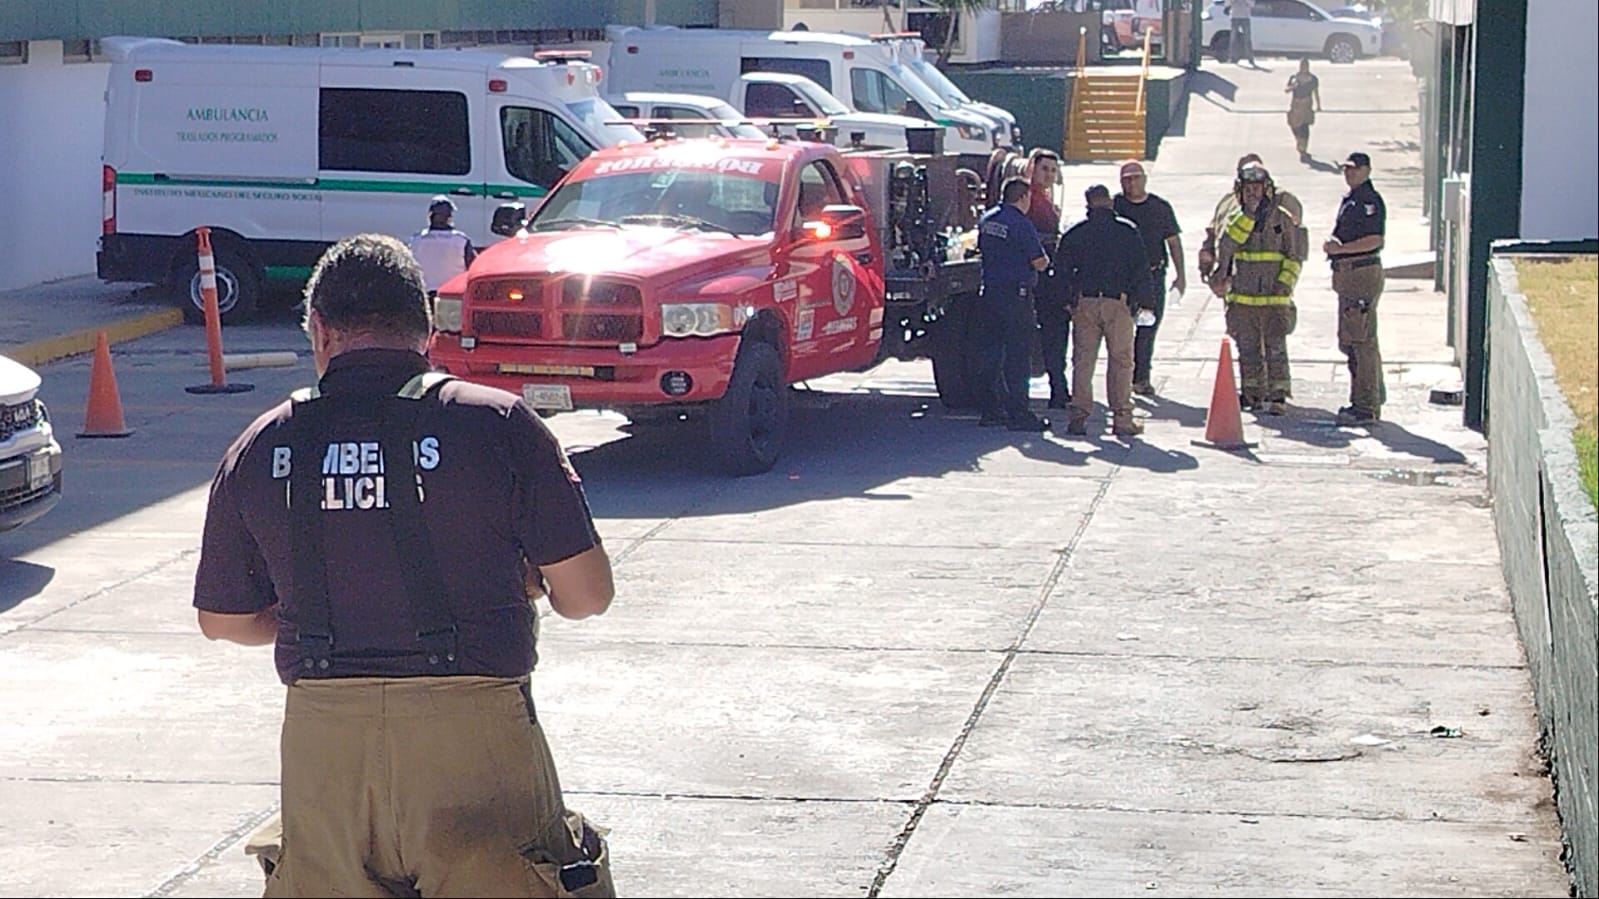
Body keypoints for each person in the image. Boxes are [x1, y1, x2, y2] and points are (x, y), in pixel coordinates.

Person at [192, 233, 618, 897]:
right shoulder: (497, 423)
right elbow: (587, 594)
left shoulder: (262, 442)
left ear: (320, 330)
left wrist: (320, 609)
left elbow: (222, 619)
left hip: (324, 747)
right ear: (425, 330)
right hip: (475, 741)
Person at [1048, 184, 1154, 438]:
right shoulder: (1127, 231)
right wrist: (1146, 302)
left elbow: (1061, 270)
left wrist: (1066, 300)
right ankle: (1122, 419)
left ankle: (1079, 417)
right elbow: (1141, 269)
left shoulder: (1076, 233)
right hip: (1118, 304)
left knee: (1083, 361)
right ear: (1109, 201)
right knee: (1121, 361)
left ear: (1088, 204)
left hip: (1085, 303)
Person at [1209, 162, 1308, 415]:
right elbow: (1228, 244)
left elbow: (1294, 256)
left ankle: (1278, 397)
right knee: (1248, 350)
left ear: (1268, 189)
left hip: (1275, 300)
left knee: (1276, 349)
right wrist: (1248, 215)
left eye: (1258, 187)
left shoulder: (1282, 219)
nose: (1254, 193)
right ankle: (1252, 394)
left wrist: (1285, 284)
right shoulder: (1236, 218)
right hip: (1243, 299)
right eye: (1248, 188)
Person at [974, 177, 1051, 432]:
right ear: (1023, 197)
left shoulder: (988, 219)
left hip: (990, 293)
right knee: (1018, 355)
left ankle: (991, 410)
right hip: (1015, 296)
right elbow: (1039, 261)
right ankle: (1019, 413)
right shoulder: (1021, 224)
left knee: (991, 353)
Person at [1325, 151, 1388, 425]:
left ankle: (1366, 406)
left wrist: (1343, 249)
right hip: (1348, 277)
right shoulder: (1352, 199)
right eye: (1346, 169)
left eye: (1354, 169)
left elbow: (1375, 240)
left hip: (1361, 274)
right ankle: (1371, 395)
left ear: (1367, 170)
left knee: (1361, 341)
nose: (1349, 173)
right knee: (1351, 339)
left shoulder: (1368, 201)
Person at [1113, 160, 1186, 398]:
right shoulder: (1115, 206)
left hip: (1154, 276)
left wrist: (1181, 276)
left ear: (1144, 179)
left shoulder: (1160, 207)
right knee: (1120, 331)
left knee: (1148, 328)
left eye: (1135, 178)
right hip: (1124, 279)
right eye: (1126, 179)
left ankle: (1141, 378)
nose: (1131, 183)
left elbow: (1173, 242)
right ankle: (1123, 378)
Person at [1198, 153, 1302, 283]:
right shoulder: (1227, 204)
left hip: (1274, 289)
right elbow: (1214, 234)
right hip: (1237, 288)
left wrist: (1285, 284)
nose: (1252, 192)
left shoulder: (1284, 203)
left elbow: (1295, 247)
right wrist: (1208, 264)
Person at [1024, 148, 1072, 409]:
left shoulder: (1045, 197)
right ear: (1032, 168)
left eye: (1053, 170)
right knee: (1052, 331)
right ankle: (1057, 388)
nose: (1049, 175)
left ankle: (1059, 387)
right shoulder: (1031, 198)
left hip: (1045, 274)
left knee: (1055, 333)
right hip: (1039, 277)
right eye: (1044, 169)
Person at [407, 195, 477, 294]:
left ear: (430, 216)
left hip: (423, 295)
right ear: (449, 217)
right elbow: (474, 268)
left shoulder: (416, 240)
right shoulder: (461, 240)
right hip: (453, 296)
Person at [1285, 59, 1323, 161]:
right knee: (1294, 125)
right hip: (1296, 104)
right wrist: (1293, 86)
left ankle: (1303, 150)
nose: (1303, 67)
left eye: (1305, 65)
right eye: (1302, 65)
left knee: (1304, 127)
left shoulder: (1313, 79)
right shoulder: (1294, 78)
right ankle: (1300, 144)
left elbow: (1316, 92)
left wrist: (1318, 105)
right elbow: (1286, 90)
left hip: (1306, 104)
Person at [1226, 0, 1256, 65]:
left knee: (1247, 39)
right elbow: (1226, 4)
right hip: (1234, 17)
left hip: (1245, 17)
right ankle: (1232, 58)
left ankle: (1250, 58)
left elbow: (1252, 4)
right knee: (1233, 39)